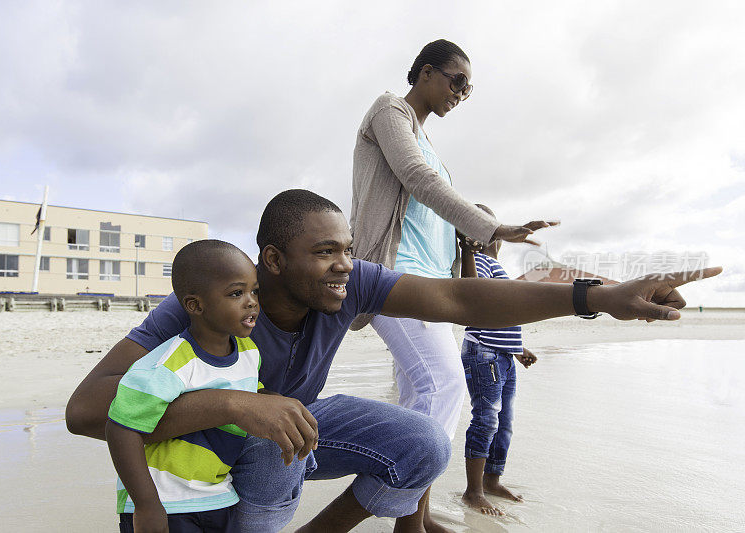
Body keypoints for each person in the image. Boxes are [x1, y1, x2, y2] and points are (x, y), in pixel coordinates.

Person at [65, 189, 719, 533]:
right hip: (198, 472)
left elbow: (456, 294)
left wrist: (597, 297)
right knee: (268, 437)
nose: (345, 263)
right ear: (271, 261)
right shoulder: (211, 299)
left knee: (425, 441)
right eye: (324, 251)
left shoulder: (351, 285)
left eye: (348, 248)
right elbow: (86, 408)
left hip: (291, 429)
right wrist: (234, 402)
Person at [350, 39, 557, 527]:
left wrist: (470, 240)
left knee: (414, 397)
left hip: (430, 286)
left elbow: (434, 199)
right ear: (425, 73)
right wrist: (493, 227)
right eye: (456, 80)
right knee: (444, 386)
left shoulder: (430, 143)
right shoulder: (389, 110)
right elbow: (417, 178)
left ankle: (412, 514)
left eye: (469, 88)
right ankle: (398, 514)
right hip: (392, 273)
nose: (461, 93)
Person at [106, 239, 260, 533]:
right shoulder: (168, 363)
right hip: (166, 501)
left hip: (218, 497)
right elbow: (120, 429)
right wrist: (147, 505)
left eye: (255, 291)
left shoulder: (250, 352)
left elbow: (252, 395)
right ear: (195, 305)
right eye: (236, 293)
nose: (251, 301)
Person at [458, 205, 537, 516]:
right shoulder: (477, 261)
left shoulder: (494, 264)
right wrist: (467, 251)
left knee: (504, 424)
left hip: (503, 354)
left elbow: (500, 313)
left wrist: (518, 348)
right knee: (486, 420)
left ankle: (492, 481)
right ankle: (473, 491)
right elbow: (472, 294)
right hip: (483, 353)